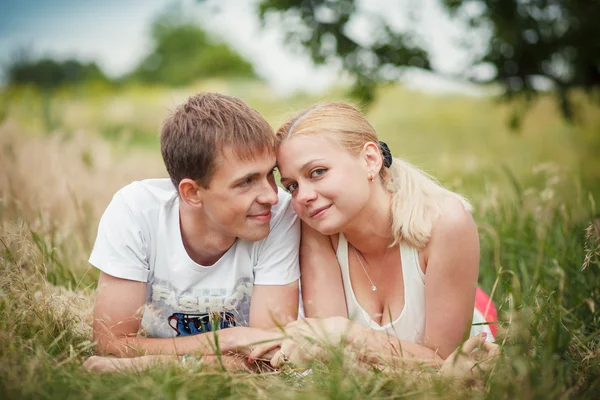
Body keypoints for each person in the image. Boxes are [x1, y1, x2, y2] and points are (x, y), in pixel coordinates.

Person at [249, 102, 499, 368]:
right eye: (292, 186)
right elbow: (331, 361)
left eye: (318, 172)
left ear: (370, 159)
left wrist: (349, 335)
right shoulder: (317, 228)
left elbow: (444, 365)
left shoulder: (446, 223)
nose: (304, 196)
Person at [84, 92, 300, 371]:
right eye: (246, 182)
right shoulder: (135, 211)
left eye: (270, 173)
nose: (272, 195)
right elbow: (111, 342)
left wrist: (147, 364)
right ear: (192, 192)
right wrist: (227, 339)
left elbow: (267, 356)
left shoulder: (280, 214)